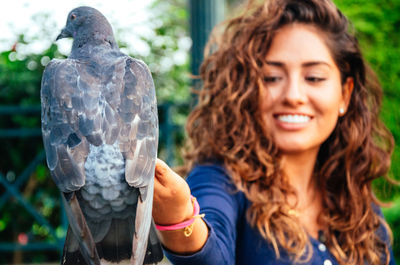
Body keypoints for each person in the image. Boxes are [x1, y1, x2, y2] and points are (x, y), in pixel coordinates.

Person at [152, 0, 397, 264]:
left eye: (314, 77)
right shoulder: (220, 180)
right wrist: (179, 216)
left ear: (345, 95)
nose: (293, 96)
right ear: (245, 91)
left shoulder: (357, 202)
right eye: (271, 77)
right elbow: (211, 252)